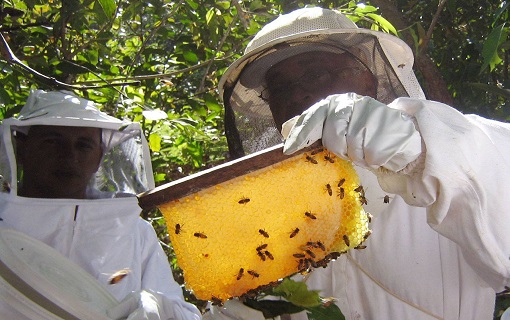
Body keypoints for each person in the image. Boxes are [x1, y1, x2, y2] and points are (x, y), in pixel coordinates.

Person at [214, 7, 510, 320]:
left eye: (317, 73)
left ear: (368, 77)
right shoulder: (268, 217)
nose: (298, 94)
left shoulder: (454, 145)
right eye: (280, 89)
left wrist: (416, 150)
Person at [0, 89, 202, 319]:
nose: (69, 156)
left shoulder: (133, 232)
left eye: (84, 145)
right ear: (23, 147)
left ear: (99, 156)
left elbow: (180, 311)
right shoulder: (5, 219)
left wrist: (155, 307)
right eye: (52, 141)